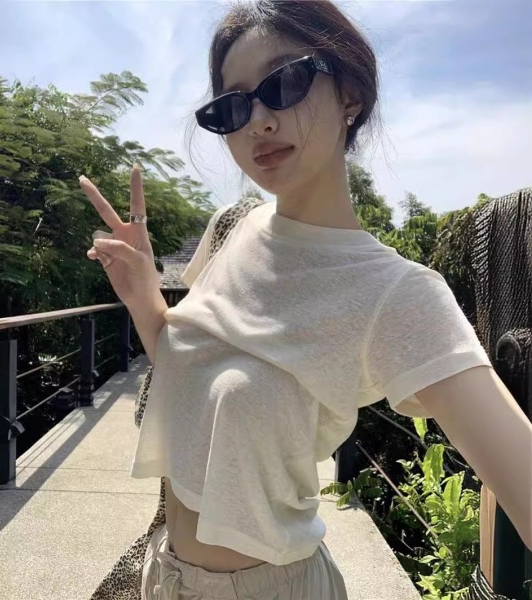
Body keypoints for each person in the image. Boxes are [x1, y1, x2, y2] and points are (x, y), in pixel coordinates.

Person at [80, 1, 532, 598]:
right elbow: (190, 367)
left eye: (285, 82)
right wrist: (144, 301)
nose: (258, 121)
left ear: (351, 93)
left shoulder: (396, 292)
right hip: (163, 574)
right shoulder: (230, 227)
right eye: (233, 106)